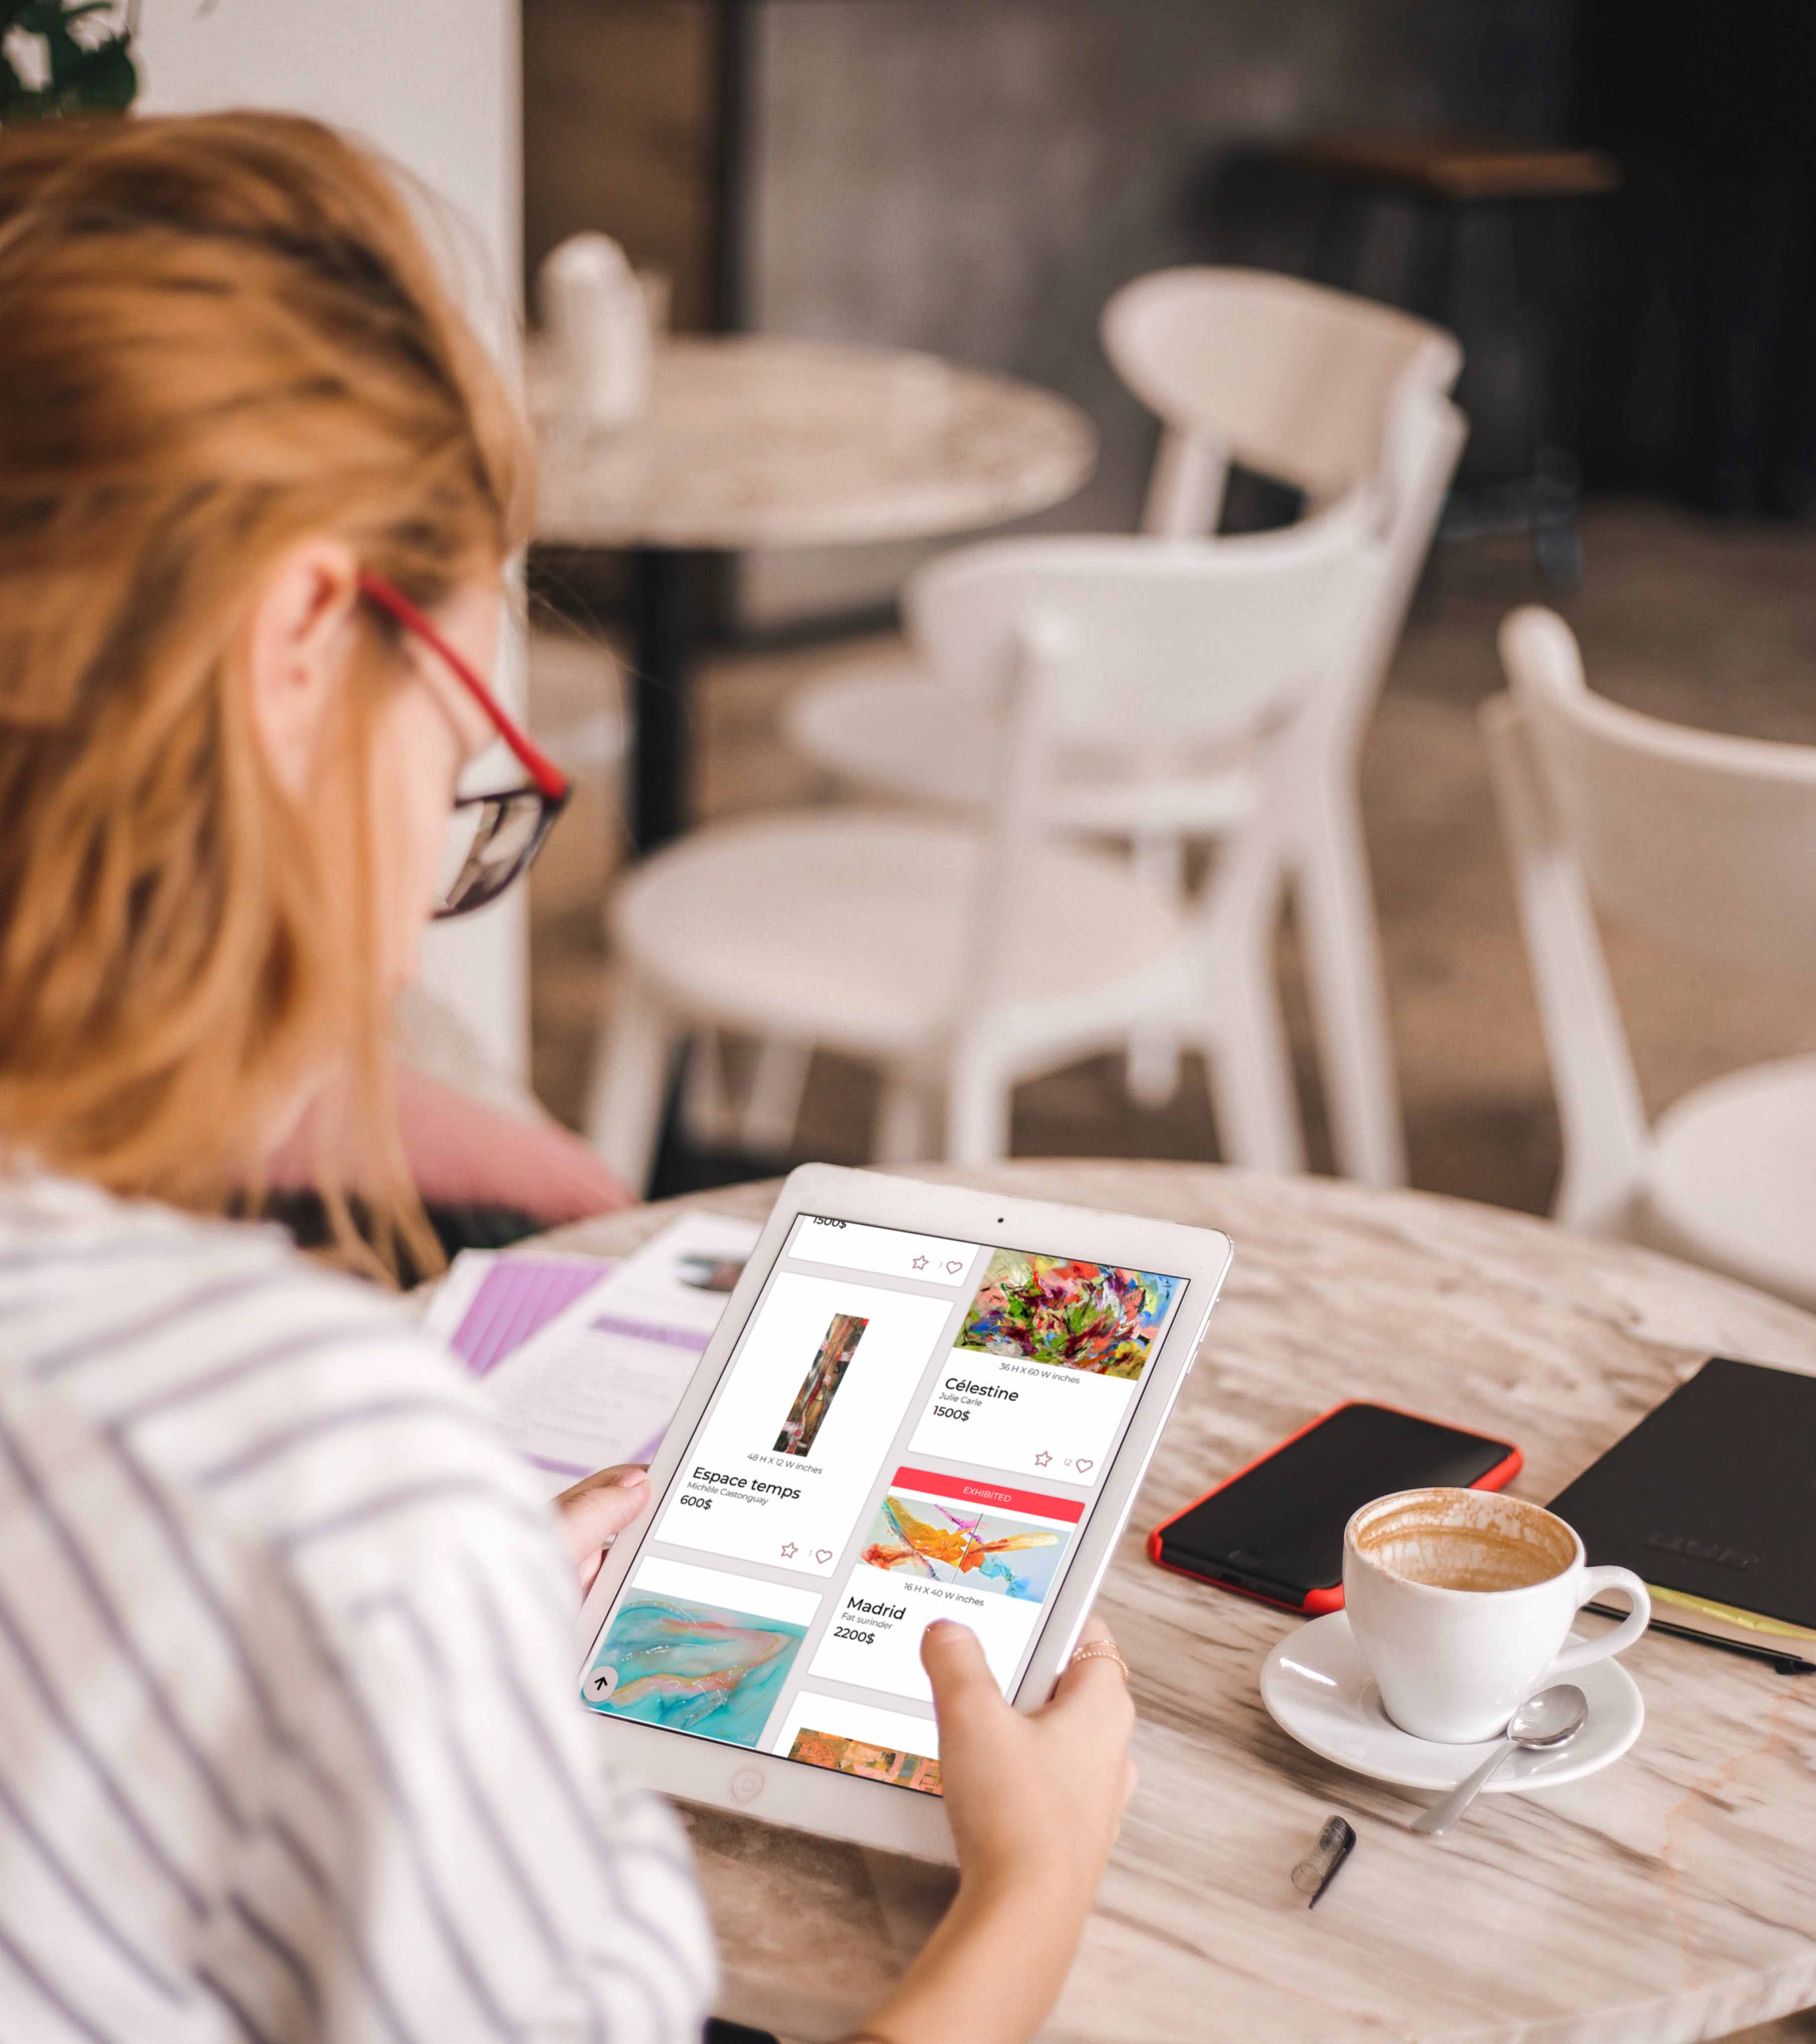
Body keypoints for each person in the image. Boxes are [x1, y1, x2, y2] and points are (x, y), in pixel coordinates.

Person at [0, 111, 1135, 2042]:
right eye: (458, 765)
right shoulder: (311, 1477)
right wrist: (1032, 1897)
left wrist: (422, 1641)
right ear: (302, 640)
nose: (431, 884)